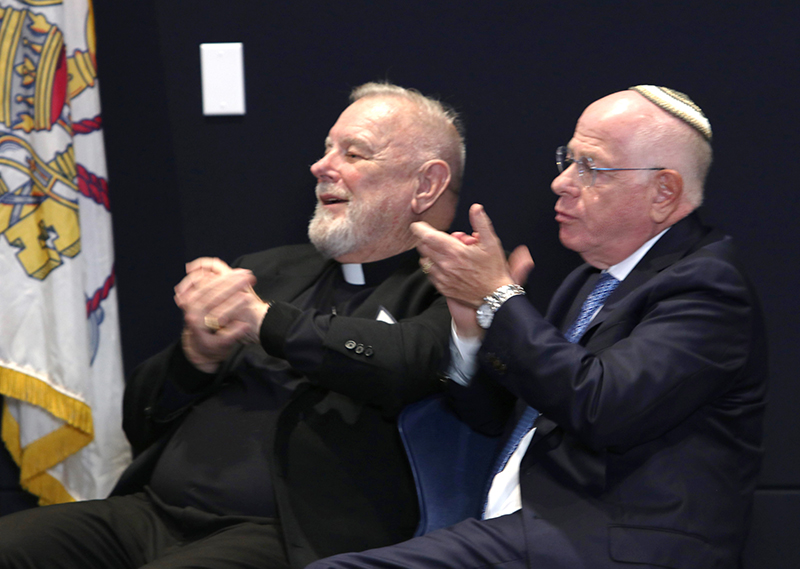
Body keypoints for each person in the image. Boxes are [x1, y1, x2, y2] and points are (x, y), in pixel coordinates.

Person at [0, 82, 465, 569]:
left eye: (354, 153)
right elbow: (140, 419)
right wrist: (195, 357)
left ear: (426, 184)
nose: (322, 166)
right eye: (327, 148)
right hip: (151, 514)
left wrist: (262, 320)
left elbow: (402, 361)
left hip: (283, 537)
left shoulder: (445, 288)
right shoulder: (267, 271)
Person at [307, 86, 768, 568]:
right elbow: (492, 419)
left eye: (591, 167)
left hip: (609, 546)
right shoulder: (587, 283)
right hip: (517, 530)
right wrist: (470, 329)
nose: (562, 182)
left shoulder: (708, 287)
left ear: (663, 192)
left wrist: (499, 297)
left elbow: (601, 406)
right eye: (566, 161)